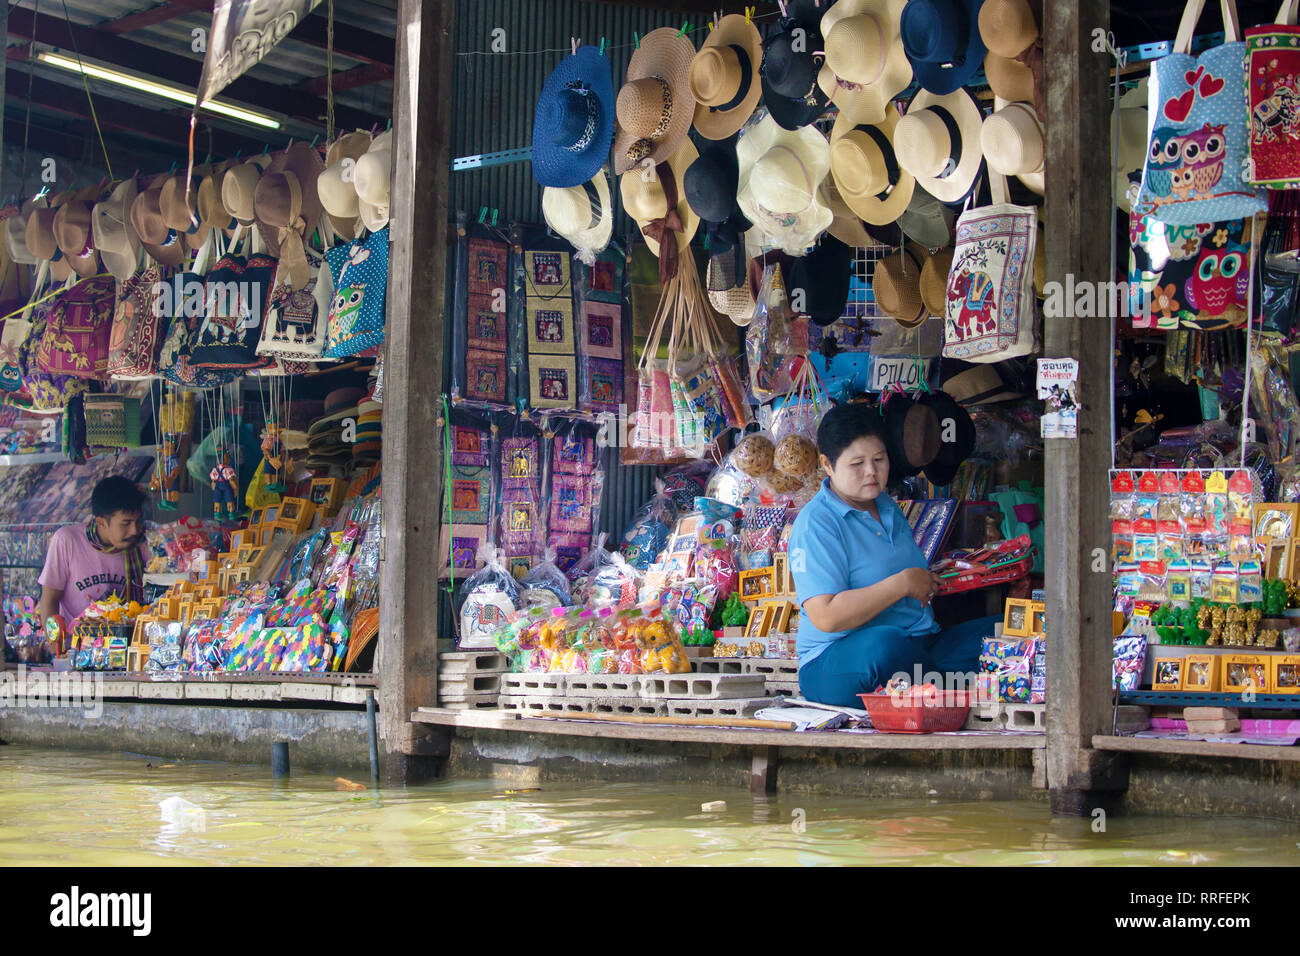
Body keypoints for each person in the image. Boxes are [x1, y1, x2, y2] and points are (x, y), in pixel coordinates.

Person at [789, 403, 998, 707]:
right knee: (885, 646)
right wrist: (902, 584)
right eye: (857, 463)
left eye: (879, 459)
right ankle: (948, 690)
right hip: (838, 661)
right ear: (827, 464)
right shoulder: (816, 524)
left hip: (920, 647)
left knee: (1001, 631)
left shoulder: (888, 507)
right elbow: (827, 615)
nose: (871, 472)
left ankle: (937, 688)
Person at [36, 475, 148, 627]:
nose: (134, 530)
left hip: (127, 641)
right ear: (101, 522)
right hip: (76, 643)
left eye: (137, 521)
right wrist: (54, 643)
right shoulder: (67, 540)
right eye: (126, 523)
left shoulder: (143, 543)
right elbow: (49, 599)